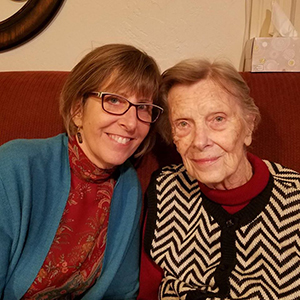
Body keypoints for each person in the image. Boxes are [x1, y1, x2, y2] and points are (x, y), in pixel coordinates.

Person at [0, 44, 163, 300]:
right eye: (113, 100)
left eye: (143, 107)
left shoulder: (128, 185)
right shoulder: (15, 165)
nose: (131, 123)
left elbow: (121, 291)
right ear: (78, 109)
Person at [141, 58, 300, 299]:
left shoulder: (294, 199)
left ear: (248, 126)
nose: (200, 141)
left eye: (218, 119)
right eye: (183, 123)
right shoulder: (165, 190)